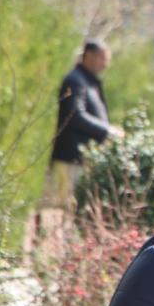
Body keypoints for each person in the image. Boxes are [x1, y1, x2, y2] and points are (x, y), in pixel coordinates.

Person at [48, 40, 122, 207]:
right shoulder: (76, 81)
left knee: (72, 207)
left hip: (79, 159)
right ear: (88, 56)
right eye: (103, 58)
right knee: (61, 207)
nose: (105, 64)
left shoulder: (88, 82)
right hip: (69, 159)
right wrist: (107, 131)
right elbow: (75, 116)